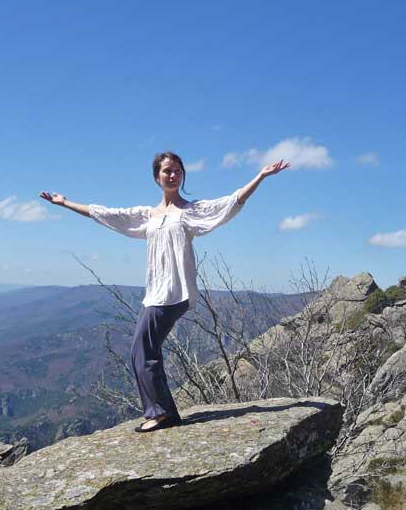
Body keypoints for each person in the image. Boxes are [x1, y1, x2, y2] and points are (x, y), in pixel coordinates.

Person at [39, 152, 290, 432]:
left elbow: (231, 202)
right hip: (156, 292)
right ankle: (161, 411)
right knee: (142, 350)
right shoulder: (148, 215)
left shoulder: (191, 211)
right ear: (156, 176)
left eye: (178, 171)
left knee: (142, 349)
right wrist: (65, 204)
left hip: (175, 291)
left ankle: (162, 414)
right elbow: (106, 214)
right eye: (167, 171)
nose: (173, 175)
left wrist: (260, 176)